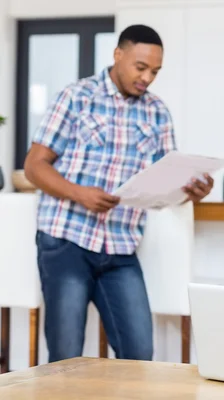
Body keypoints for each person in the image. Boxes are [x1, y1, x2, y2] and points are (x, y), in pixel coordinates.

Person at [23, 25, 213, 362]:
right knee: (65, 355)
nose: (148, 78)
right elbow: (35, 166)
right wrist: (79, 193)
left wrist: (192, 191)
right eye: (141, 67)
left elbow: (164, 185)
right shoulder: (76, 97)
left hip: (121, 247)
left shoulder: (157, 112)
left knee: (139, 353)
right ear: (118, 55)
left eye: (155, 71)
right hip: (66, 240)